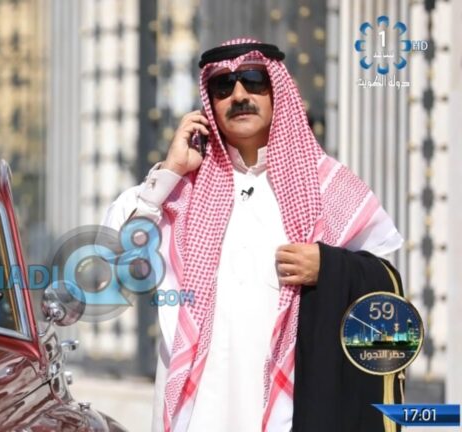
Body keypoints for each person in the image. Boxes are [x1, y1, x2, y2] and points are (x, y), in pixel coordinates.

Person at [102, 37, 405, 432]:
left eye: (253, 80)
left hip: (290, 409)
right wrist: (171, 172)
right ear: (209, 103)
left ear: (277, 91)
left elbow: (384, 285)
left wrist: (328, 266)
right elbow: (112, 265)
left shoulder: (326, 186)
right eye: (223, 86)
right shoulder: (176, 191)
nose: (239, 95)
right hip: (199, 411)